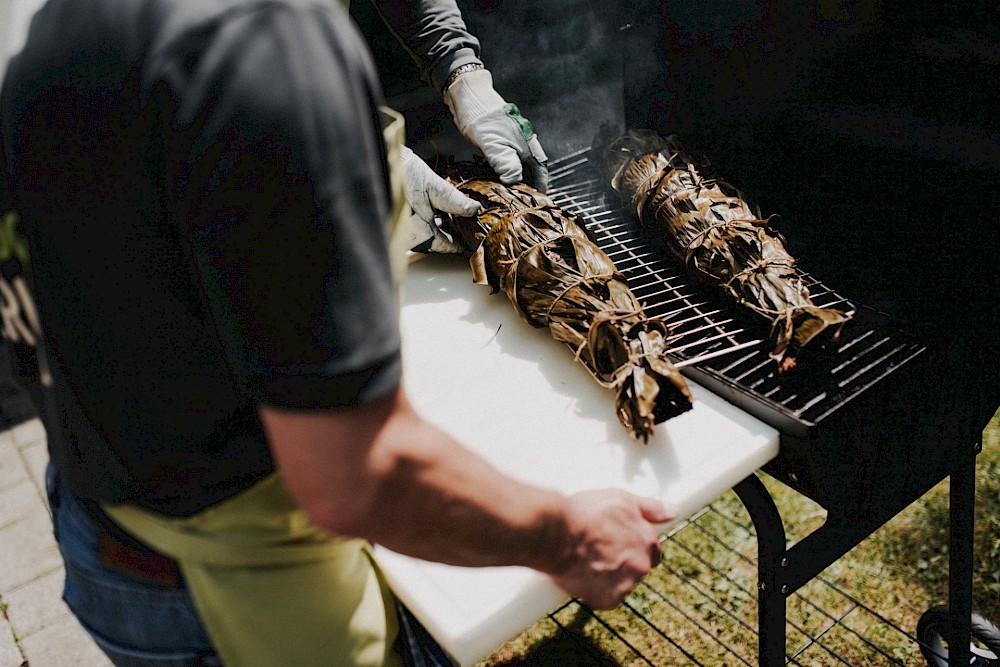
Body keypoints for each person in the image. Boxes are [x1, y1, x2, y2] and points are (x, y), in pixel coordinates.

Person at [0, 0, 674, 665]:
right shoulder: (260, 45)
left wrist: (460, 72)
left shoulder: (69, 21)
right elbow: (355, 474)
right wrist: (567, 537)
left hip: (102, 532)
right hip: (234, 595)